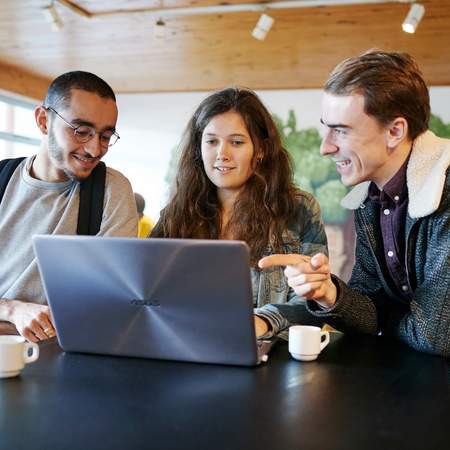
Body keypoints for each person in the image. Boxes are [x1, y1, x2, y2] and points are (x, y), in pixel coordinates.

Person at [260, 49, 450, 359]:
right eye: (327, 127)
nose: (326, 146)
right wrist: (326, 292)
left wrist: (385, 318)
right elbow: (368, 310)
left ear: (394, 132)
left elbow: (437, 334)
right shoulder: (370, 201)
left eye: (341, 130)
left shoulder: (445, 189)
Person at [150, 86, 328, 339]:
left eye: (236, 142)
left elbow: (313, 304)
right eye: (211, 141)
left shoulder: (299, 208)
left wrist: (261, 321)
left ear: (261, 150)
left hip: (267, 358)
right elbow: (146, 289)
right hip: (186, 345)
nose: (222, 154)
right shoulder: (177, 213)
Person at [0, 71, 138, 342]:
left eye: (106, 137)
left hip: (62, 358)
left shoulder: (112, 191)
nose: (94, 150)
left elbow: (102, 311)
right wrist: (13, 310)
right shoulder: (2, 181)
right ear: (43, 120)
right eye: (81, 132)